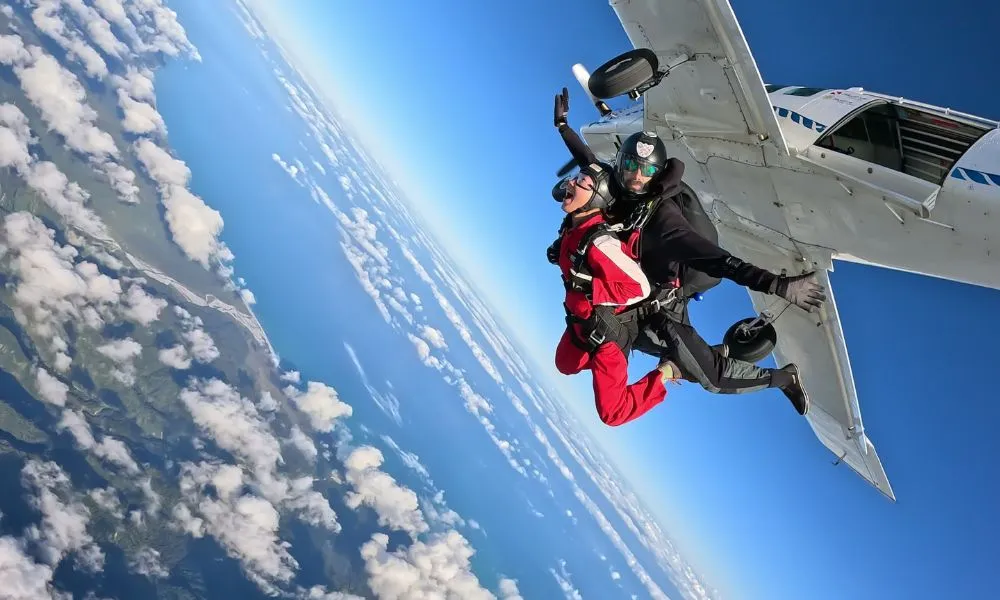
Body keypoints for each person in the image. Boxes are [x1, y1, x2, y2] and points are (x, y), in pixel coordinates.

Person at [552, 88, 824, 415]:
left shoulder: (664, 221)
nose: (636, 178)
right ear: (622, 163)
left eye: (646, 172)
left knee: (710, 378)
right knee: (646, 345)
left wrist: (779, 286)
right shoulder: (620, 189)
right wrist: (564, 127)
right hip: (636, 299)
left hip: (661, 303)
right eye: (630, 167)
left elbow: (719, 261)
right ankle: (707, 354)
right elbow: (590, 166)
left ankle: (784, 378)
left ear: (656, 175)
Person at [550, 161, 681, 427]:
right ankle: (600, 367)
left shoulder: (600, 241)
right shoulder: (574, 226)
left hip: (607, 332)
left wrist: (591, 290)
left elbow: (639, 287)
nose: (572, 183)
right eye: (576, 178)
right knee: (564, 363)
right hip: (581, 321)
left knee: (613, 413)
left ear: (597, 196)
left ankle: (668, 370)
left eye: (582, 181)